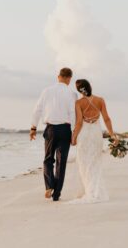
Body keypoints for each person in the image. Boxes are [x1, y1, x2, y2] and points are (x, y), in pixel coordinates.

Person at [69, 79, 118, 204]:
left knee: (83, 162)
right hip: (96, 134)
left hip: (84, 134)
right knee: (95, 162)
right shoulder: (100, 100)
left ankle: (88, 190)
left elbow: (79, 122)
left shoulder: (79, 103)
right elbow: (106, 119)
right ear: (89, 87)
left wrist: (74, 136)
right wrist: (112, 134)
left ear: (79, 90)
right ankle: (94, 190)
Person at [30, 68, 76, 201]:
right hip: (65, 129)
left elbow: (37, 110)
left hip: (50, 129)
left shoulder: (46, 91)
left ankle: (49, 185)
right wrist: (74, 132)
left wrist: (33, 127)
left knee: (48, 159)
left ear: (58, 76)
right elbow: (73, 113)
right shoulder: (71, 93)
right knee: (61, 163)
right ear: (69, 78)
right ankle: (57, 194)